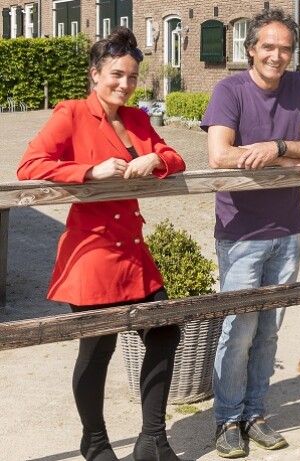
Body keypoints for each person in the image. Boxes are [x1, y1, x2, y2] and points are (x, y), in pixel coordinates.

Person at [17, 27, 187, 461]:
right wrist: (89, 173)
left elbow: (176, 156)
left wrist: (157, 158)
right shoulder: (71, 113)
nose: (125, 85)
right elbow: (30, 164)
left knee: (166, 331)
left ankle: (152, 439)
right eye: (116, 75)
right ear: (95, 74)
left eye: (131, 77)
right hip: (91, 252)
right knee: (98, 347)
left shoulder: (137, 119)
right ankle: (94, 442)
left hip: (133, 249)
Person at [200, 7, 300, 459]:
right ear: (251, 49)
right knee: (238, 329)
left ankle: (254, 414)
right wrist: (288, 161)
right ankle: (226, 421)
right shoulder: (229, 89)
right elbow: (219, 155)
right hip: (241, 231)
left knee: (269, 330)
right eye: (268, 47)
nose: (277, 56)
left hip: (288, 229)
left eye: (285, 49)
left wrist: (276, 147)